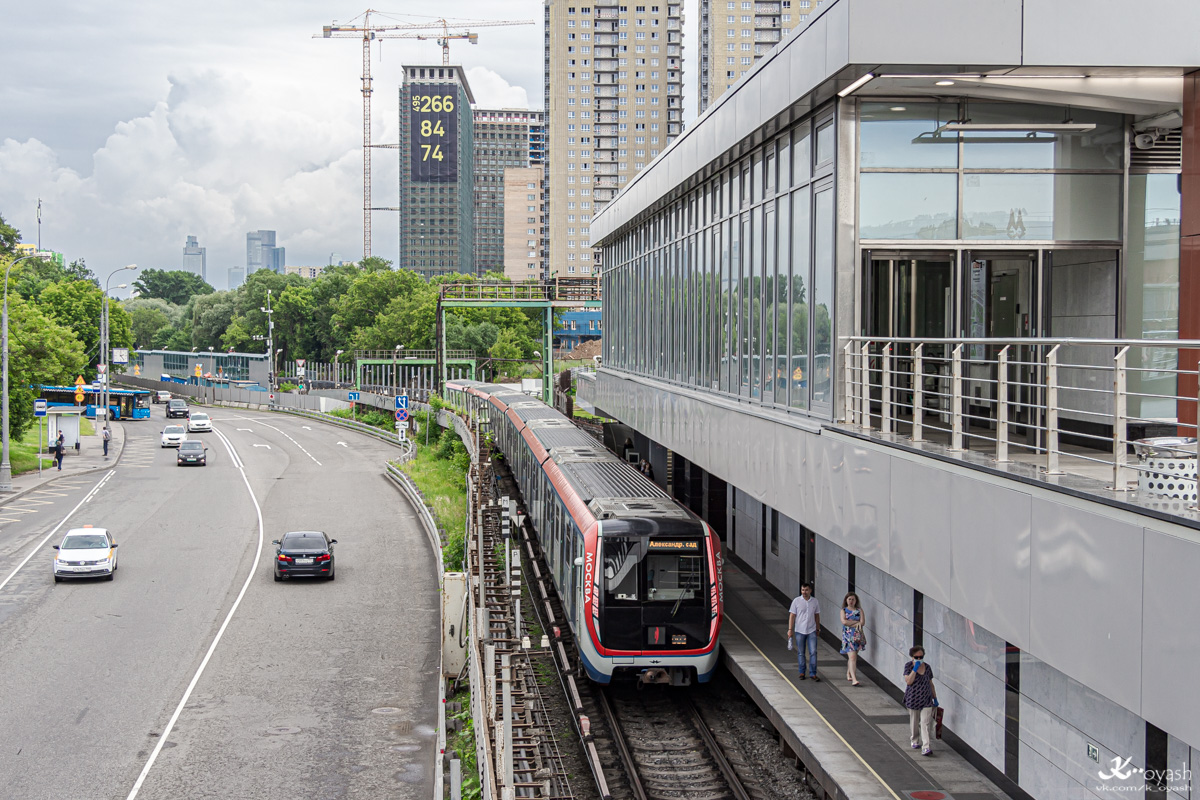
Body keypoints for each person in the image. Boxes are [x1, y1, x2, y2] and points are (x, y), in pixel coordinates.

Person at [903, 645, 939, 756]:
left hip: (926, 699)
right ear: (912, 657)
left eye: (921, 657)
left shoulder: (927, 667)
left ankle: (926, 746)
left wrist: (935, 698)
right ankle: (914, 739)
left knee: (925, 723)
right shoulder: (908, 666)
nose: (919, 659)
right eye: (916, 657)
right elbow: (908, 681)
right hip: (913, 699)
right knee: (914, 722)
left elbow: (931, 683)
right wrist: (914, 669)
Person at [787, 582, 821, 681]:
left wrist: (818, 628)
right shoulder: (796, 601)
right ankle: (802, 672)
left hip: (811, 630)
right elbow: (792, 616)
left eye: (806, 590)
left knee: (813, 652)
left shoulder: (815, 601)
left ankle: (813, 673)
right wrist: (790, 629)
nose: (804, 592)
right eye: (802, 590)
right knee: (801, 652)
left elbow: (817, 615)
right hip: (799, 630)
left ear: (810, 590)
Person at [840, 592, 865, 686]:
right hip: (847, 636)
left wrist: (853, 623)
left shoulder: (859, 610)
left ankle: (848, 673)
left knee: (852, 657)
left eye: (853, 599)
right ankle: (854, 679)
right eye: (849, 599)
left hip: (857, 636)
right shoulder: (843, 610)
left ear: (856, 601)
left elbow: (862, 622)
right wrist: (856, 623)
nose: (851, 601)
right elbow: (844, 622)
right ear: (846, 600)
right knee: (852, 657)